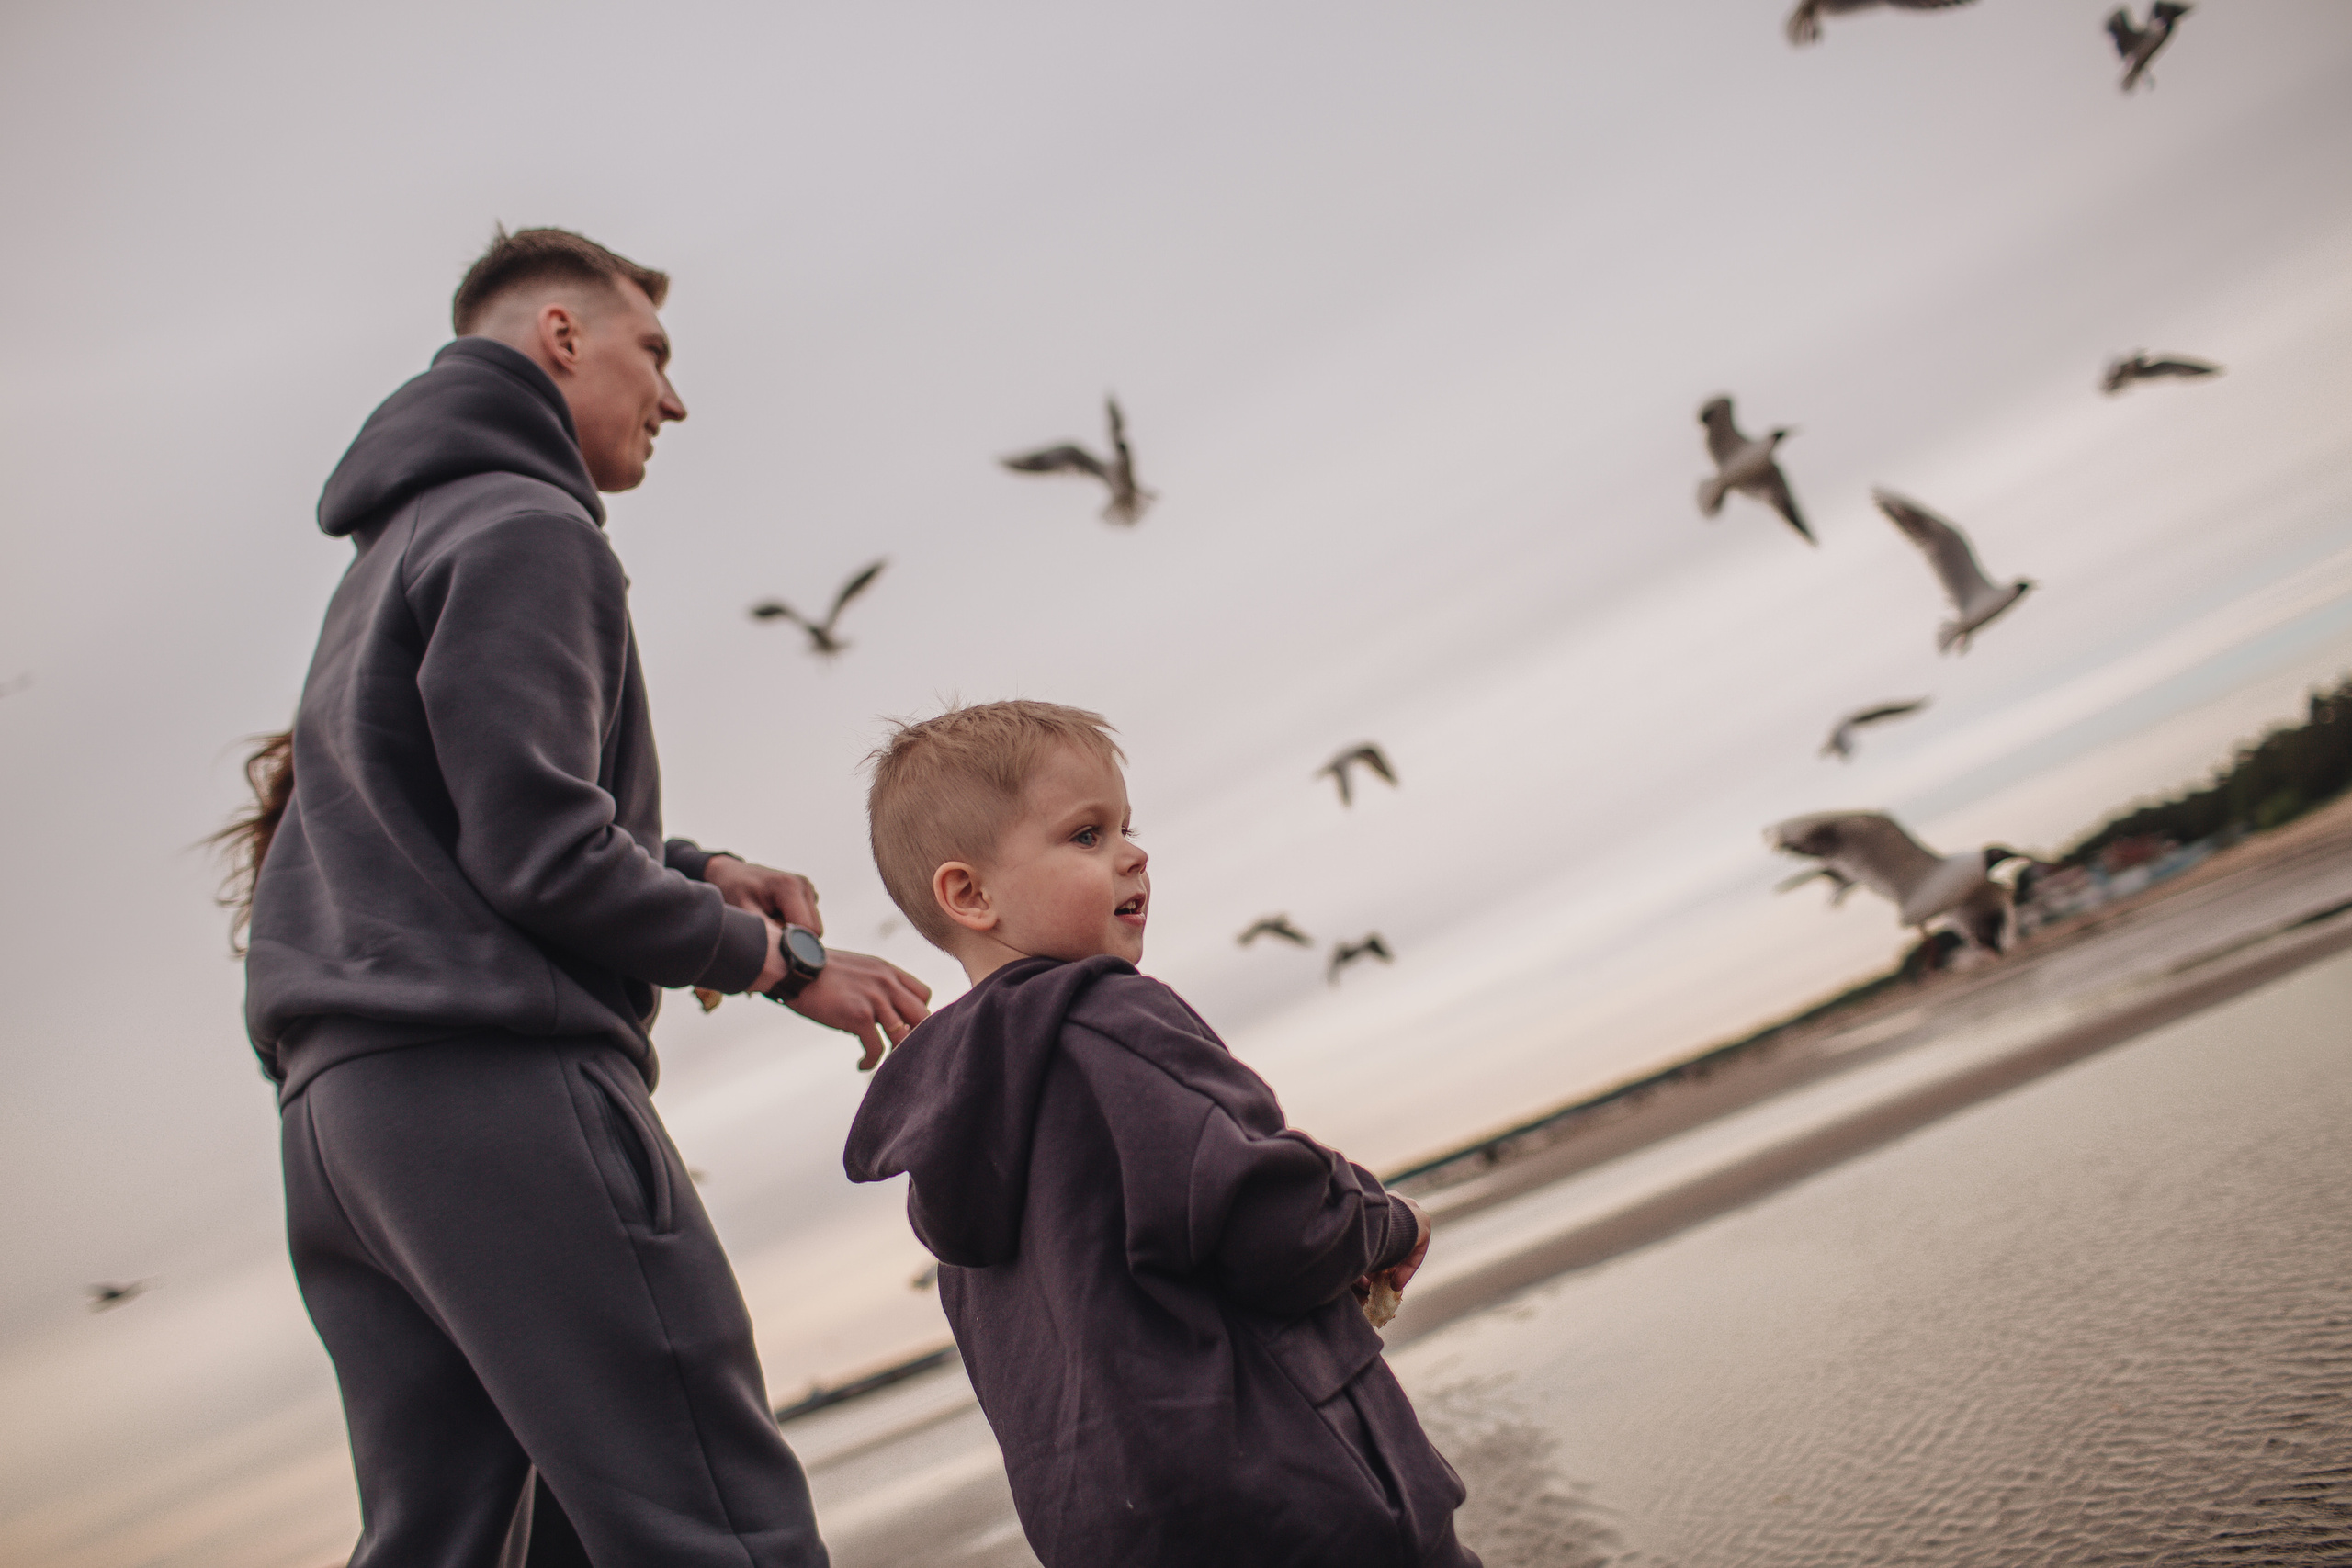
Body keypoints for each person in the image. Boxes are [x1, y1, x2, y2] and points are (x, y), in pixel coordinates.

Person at [228, 226, 932, 1567]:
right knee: (709, 1520)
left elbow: (448, 825)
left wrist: (689, 869)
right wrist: (780, 958)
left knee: (459, 1539)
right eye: (652, 352)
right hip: (496, 1086)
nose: (673, 397)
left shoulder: (387, 553)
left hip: (346, 1122)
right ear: (561, 337)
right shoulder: (527, 525)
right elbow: (540, 853)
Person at [844, 701, 1480, 1567]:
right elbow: (1273, 1216)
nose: (1133, 854)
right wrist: (1389, 1223)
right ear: (970, 893)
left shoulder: (946, 1137)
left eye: (1126, 828)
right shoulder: (1111, 1017)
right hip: (1300, 1507)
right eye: (1085, 836)